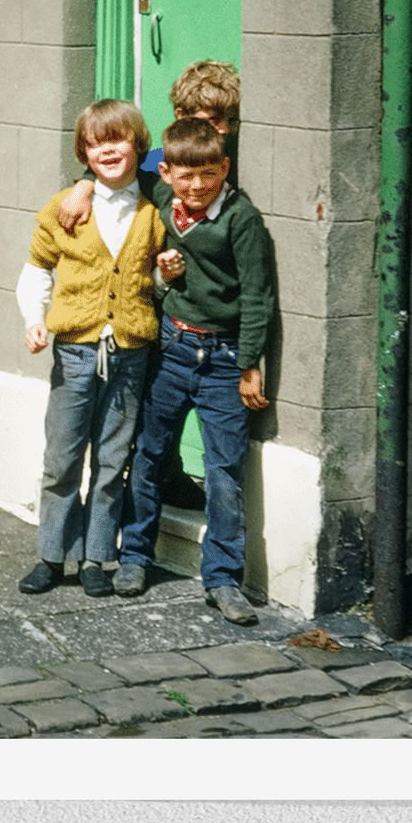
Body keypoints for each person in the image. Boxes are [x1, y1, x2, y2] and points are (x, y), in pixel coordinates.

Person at [114, 115, 278, 622]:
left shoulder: (241, 220)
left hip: (224, 358)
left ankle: (224, 578)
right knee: (148, 452)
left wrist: (251, 364)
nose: (198, 186)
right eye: (185, 176)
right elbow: (116, 172)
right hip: (172, 348)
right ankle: (135, 556)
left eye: (208, 174)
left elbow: (257, 296)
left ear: (224, 168)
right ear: (166, 173)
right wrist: (78, 189)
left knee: (224, 470)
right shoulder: (165, 200)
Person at [59, 60, 242, 506]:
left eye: (224, 121)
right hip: (156, 297)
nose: (216, 131)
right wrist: (84, 184)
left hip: (210, 309)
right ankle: (161, 477)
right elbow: (117, 168)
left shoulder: (226, 164)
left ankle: (171, 477)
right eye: (203, 121)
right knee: (152, 402)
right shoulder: (163, 164)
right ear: (179, 118)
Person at [13, 100, 167, 599]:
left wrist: (167, 273)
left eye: (118, 140)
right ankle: (52, 555)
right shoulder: (67, 208)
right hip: (76, 353)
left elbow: (153, 283)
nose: (108, 151)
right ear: (84, 152)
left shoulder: (152, 211)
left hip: (129, 356)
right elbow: (37, 269)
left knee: (110, 460)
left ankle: (96, 556)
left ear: (138, 146)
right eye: (96, 144)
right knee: (62, 457)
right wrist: (35, 321)